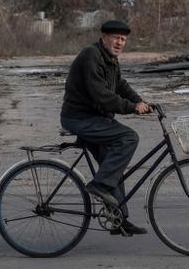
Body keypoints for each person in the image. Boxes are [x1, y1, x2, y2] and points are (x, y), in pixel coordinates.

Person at [60, 19, 152, 236]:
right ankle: (99, 186)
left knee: (113, 165)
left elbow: (120, 85)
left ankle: (119, 220)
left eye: (123, 39)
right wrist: (132, 108)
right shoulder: (91, 56)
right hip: (80, 118)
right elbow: (102, 96)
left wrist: (142, 103)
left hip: (95, 119)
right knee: (129, 137)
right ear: (104, 37)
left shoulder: (110, 59)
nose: (120, 43)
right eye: (116, 38)